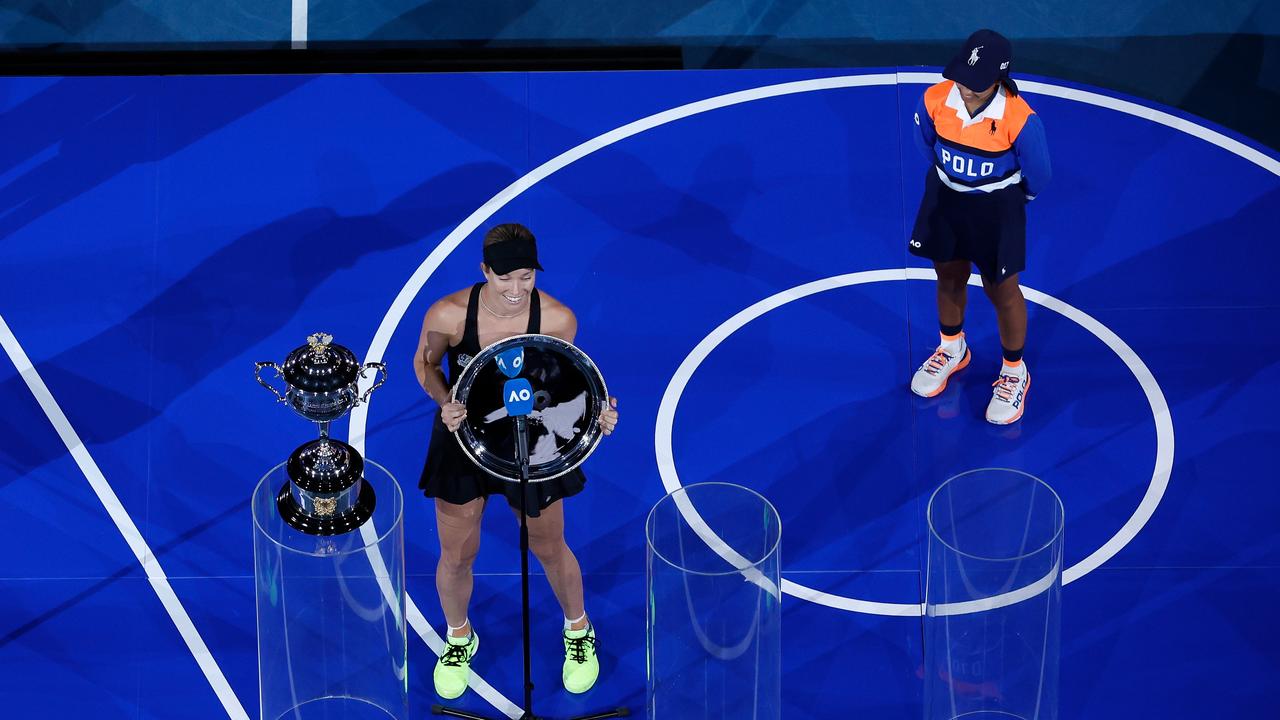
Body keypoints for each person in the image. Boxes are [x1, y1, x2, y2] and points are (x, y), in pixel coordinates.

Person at [412, 223, 619, 699]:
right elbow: (424, 364)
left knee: (549, 545)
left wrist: (598, 415)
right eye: (505, 277)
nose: (516, 289)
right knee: (457, 553)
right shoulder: (448, 314)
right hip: (463, 438)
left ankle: (578, 631)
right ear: (485, 270)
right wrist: (445, 401)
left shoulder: (558, 320)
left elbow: (570, 386)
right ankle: (459, 636)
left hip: (533, 443)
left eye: (525, 276)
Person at [908, 29, 1051, 424]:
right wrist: (950, 178)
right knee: (948, 275)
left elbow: (1038, 174)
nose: (966, 88)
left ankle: (1014, 372)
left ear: (999, 78)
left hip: (995, 210)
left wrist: (1008, 200)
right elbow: (927, 145)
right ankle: (952, 348)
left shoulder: (1021, 120)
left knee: (1002, 290)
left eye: (976, 82)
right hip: (947, 199)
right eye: (961, 77)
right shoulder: (935, 99)